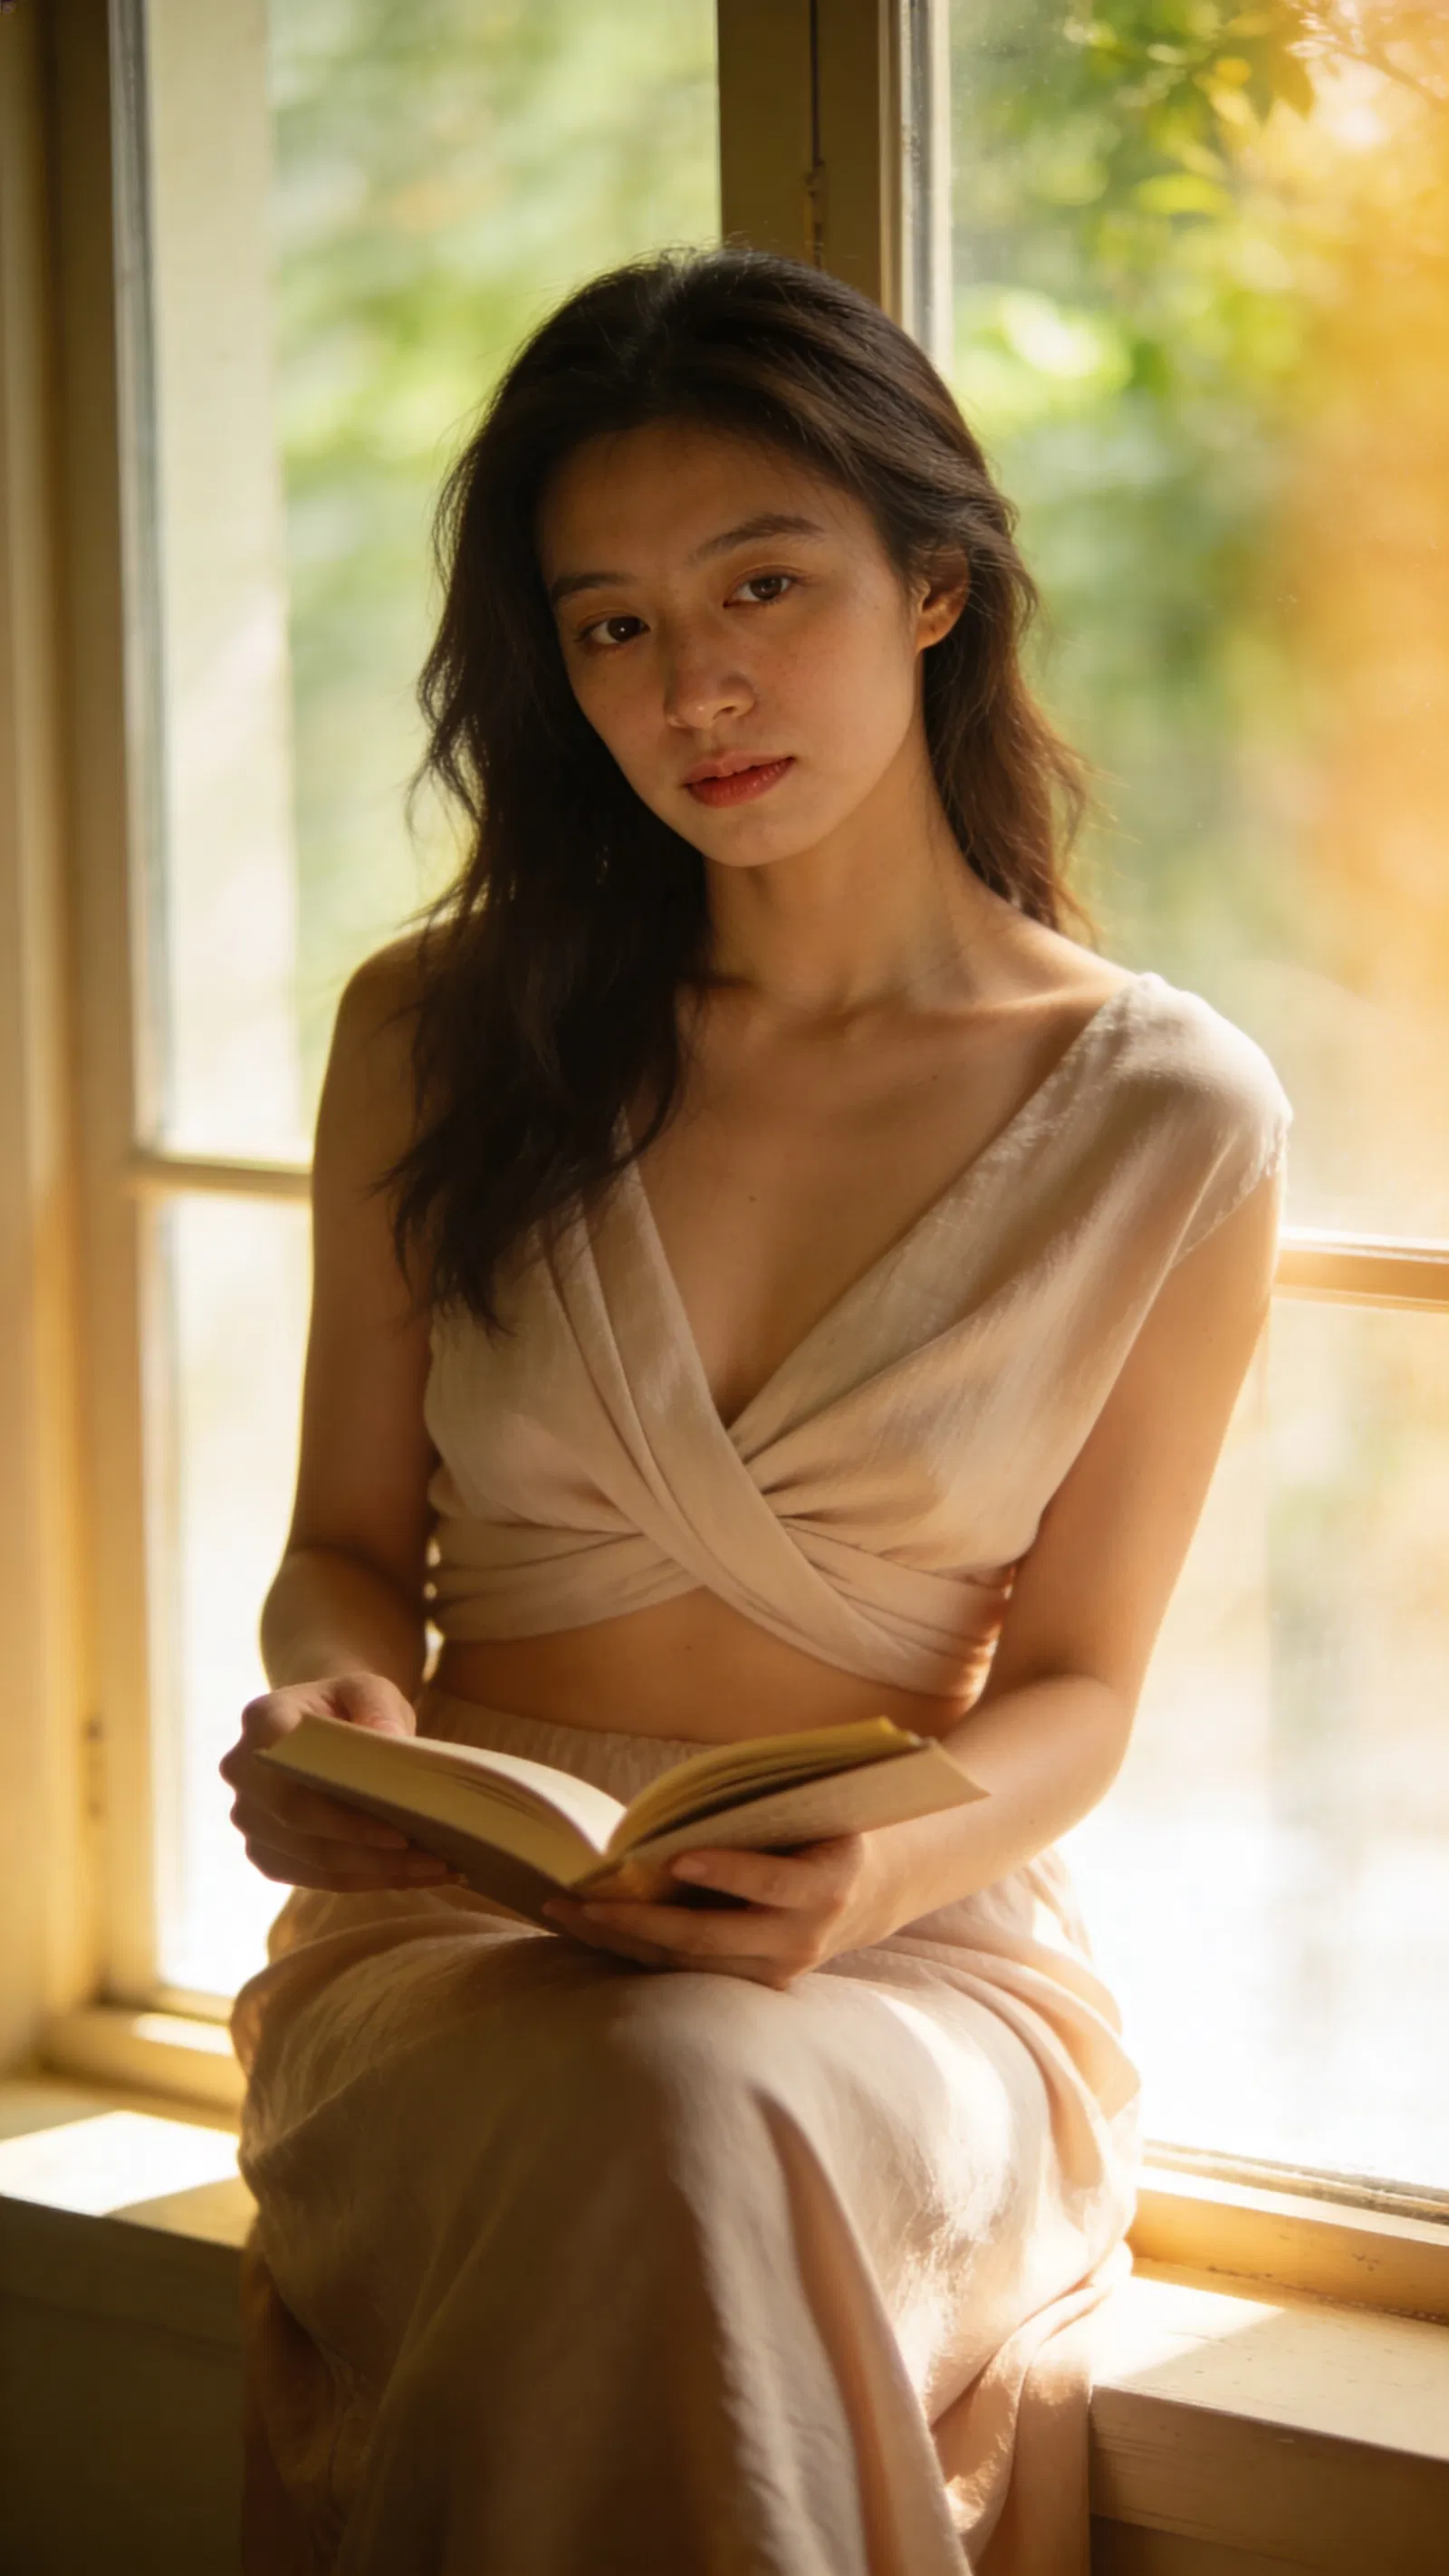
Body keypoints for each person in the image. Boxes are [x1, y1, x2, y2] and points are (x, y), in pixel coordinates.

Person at [221, 246, 1291, 2576]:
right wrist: (335, 1714)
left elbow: (1082, 1688)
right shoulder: (436, 1033)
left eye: (761, 586)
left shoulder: (1163, 1111)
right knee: (641, 2104)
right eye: (608, 625)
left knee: (688, 2102)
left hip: (897, 1949)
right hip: (456, 1933)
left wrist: (869, 1873)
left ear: (935, 585)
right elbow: (343, 1547)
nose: (689, 686)